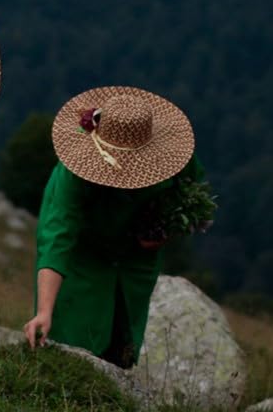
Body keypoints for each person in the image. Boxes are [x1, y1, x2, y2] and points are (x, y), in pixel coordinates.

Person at [24, 86, 206, 367]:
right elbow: (56, 238)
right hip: (83, 253)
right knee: (71, 333)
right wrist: (44, 311)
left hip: (135, 256)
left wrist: (164, 233)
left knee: (122, 339)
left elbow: (193, 198)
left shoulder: (175, 158)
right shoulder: (73, 173)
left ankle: (113, 384)